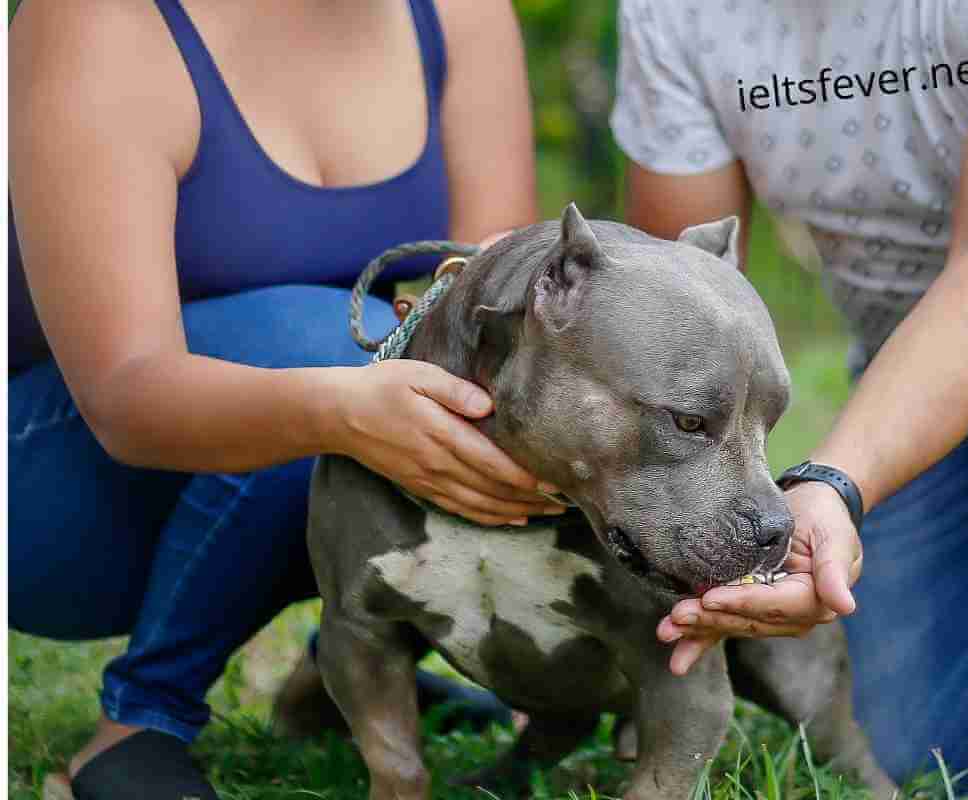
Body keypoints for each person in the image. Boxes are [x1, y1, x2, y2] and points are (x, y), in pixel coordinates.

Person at [611, 0, 968, 797]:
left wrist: (833, 484)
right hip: (921, 374)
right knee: (905, 743)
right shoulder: (675, 12)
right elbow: (683, 293)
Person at [8, 0, 567, 797]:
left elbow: (496, 318)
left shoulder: (458, 16)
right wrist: (342, 406)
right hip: (50, 492)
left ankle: (348, 670)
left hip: (274, 459)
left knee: (453, 379)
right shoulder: (98, 21)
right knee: (345, 347)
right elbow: (122, 395)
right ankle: (137, 725)